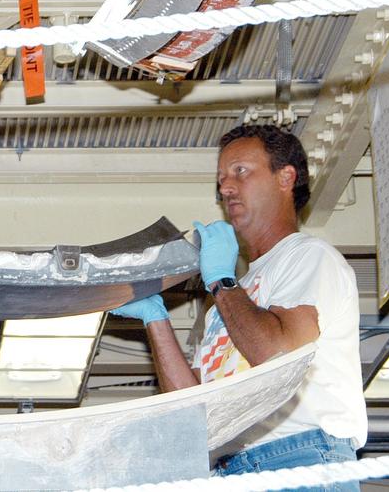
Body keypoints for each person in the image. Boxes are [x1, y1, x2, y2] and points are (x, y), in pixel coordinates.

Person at [110, 124, 366, 488]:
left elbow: (276, 353)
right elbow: (191, 411)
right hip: (231, 472)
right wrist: (156, 319)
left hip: (299, 458)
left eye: (240, 172)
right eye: (221, 180)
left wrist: (219, 280)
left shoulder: (308, 257)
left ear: (285, 178)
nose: (226, 188)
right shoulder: (227, 305)